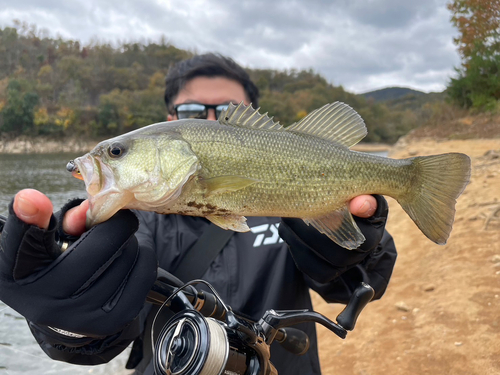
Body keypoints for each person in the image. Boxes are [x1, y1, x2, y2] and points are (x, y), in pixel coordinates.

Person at [0, 53, 397, 375]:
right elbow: (99, 341)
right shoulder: (141, 227)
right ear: (172, 122)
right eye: (192, 108)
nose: (210, 118)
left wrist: (361, 244)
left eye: (226, 109)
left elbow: (358, 287)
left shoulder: (286, 215)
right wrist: (66, 314)